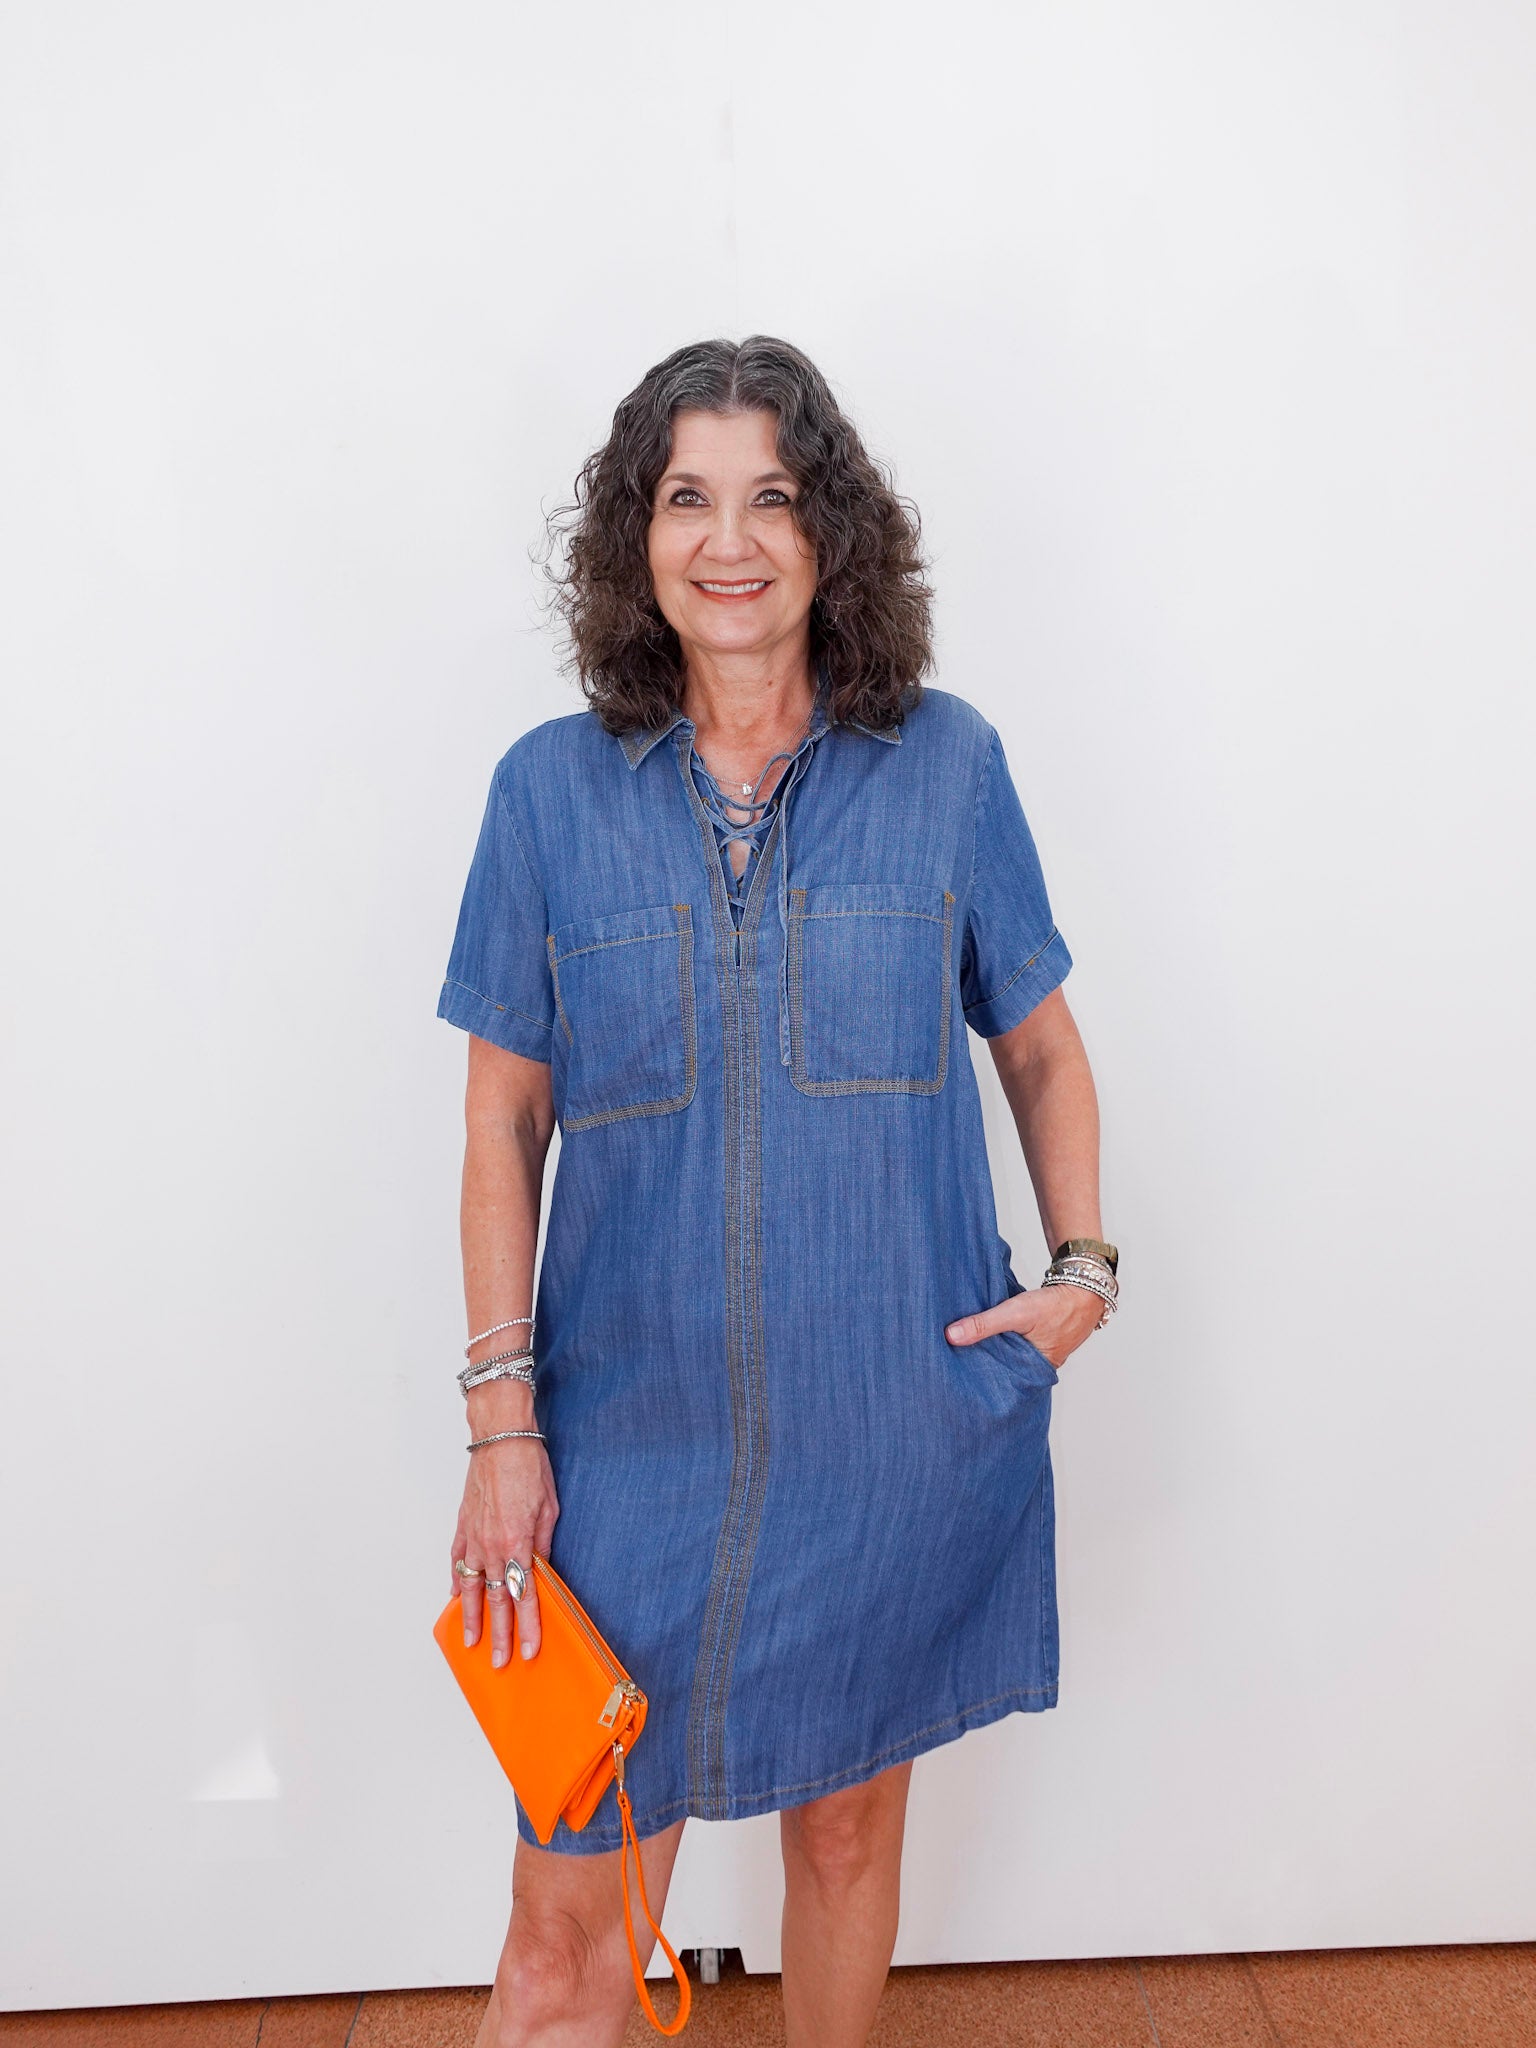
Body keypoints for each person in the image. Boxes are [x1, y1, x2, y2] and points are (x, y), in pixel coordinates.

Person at [436, 335, 1118, 2048]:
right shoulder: (546, 793)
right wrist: (502, 1421)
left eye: (772, 498)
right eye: (685, 497)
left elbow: (1039, 1046)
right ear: (635, 537)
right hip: (623, 1439)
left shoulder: (947, 767)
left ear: (833, 539)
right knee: (558, 1923)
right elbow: (500, 1128)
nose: (727, 540)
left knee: (848, 1832)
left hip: (888, 1418)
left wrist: (1082, 1272)